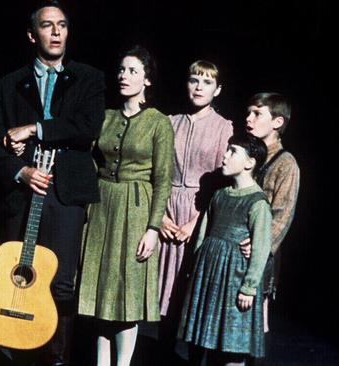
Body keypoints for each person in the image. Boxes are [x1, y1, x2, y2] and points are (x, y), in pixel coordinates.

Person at [0, 1, 105, 364]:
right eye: (47, 26)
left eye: (62, 25)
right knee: (16, 275)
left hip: (66, 192)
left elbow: (87, 129)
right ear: (31, 34)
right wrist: (21, 172)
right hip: (23, 193)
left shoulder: (88, 78)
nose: (56, 33)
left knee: (61, 281)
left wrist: (35, 129)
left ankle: (54, 357)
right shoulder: (8, 85)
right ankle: (14, 349)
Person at [78, 45, 174, 366]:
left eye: (133, 71)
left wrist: (153, 228)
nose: (124, 76)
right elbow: (89, 159)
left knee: (125, 292)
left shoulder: (158, 122)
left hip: (136, 210)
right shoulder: (106, 117)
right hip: (102, 206)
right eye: (121, 70)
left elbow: (163, 179)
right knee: (100, 290)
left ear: (147, 79)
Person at [156, 60, 233, 360]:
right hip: (168, 210)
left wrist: (195, 222)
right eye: (194, 80)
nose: (199, 87)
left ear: (218, 89)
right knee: (164, 298)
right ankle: (161, 355)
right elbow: (157, 173)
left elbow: (222, 183)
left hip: (200, 213)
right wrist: (160, 217)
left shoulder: (223, 127)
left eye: (207, 82)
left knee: (194, 296)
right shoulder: (169, 122)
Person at [179, 133, 272, 365]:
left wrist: (249, 288)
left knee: (231, 344)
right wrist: (196, 267)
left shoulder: (257, 202)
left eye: (233, 152)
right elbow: (202, 235)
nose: (225, 156)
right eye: (227, 150)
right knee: (201, 339)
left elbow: (261, 248)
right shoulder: (219, 195)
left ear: (250, 162)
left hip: (235, 278)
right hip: (209, 275)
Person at [242, 92, 299, 363]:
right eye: (248, 112)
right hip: (234, 248)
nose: (248, 119)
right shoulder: (246, 153)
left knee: (253, 322)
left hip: (259, 254)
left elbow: (282, 215)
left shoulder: (285, 163)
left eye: (257, 114)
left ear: (277, 122)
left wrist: (260, 245)